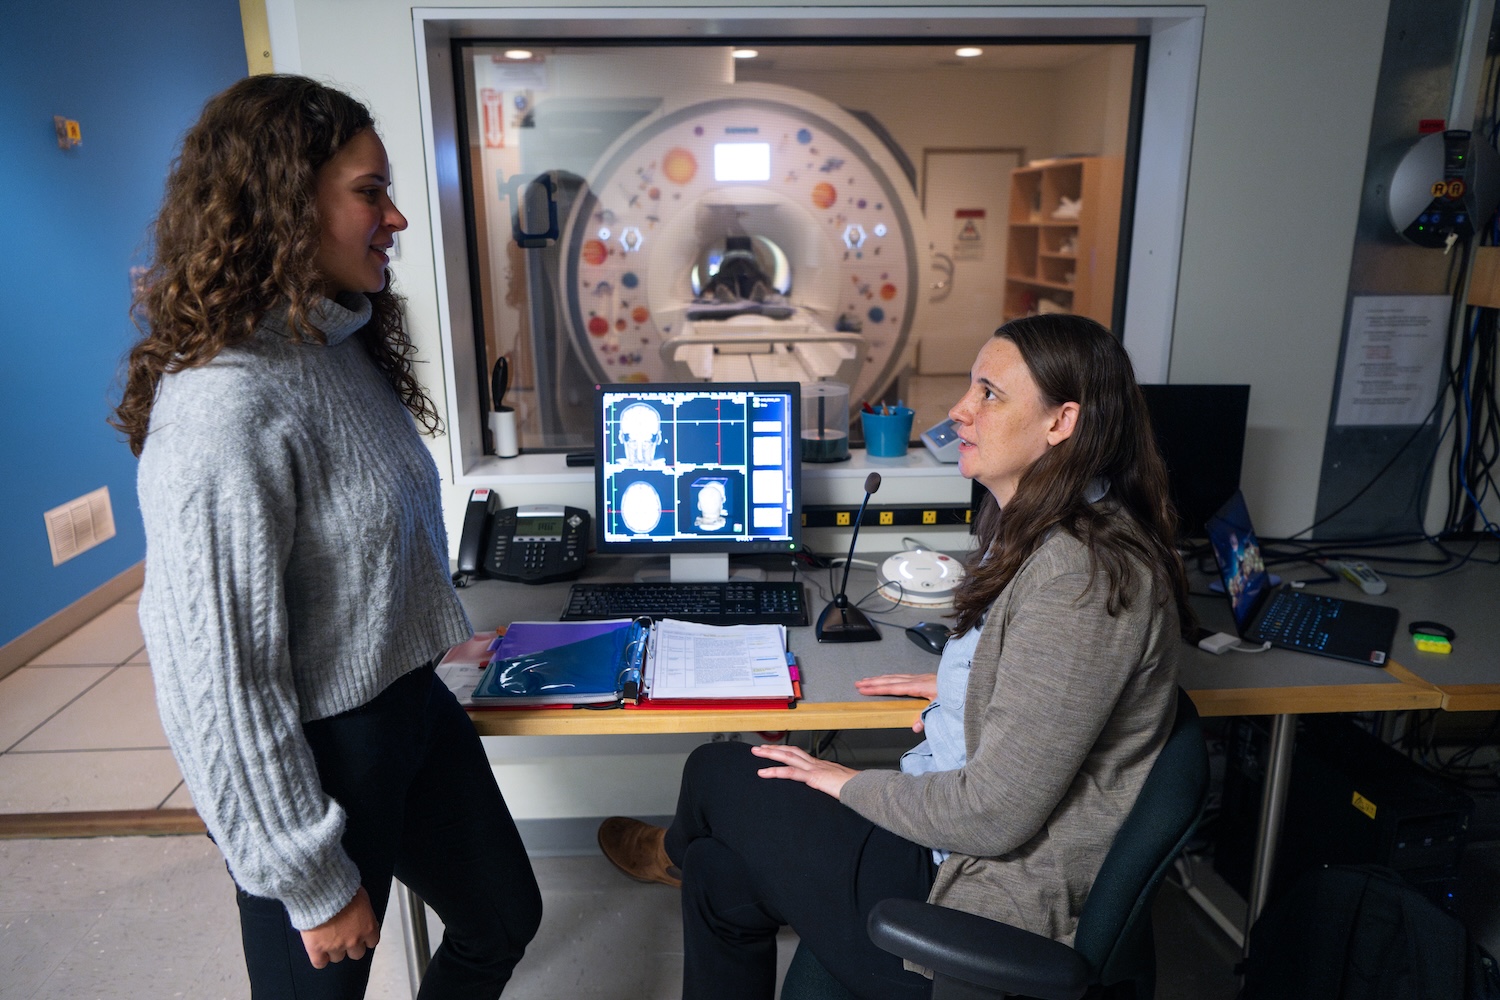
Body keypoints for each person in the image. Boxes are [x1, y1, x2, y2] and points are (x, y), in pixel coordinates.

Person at [597, 313, 1195, 1000]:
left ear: (1062, 422)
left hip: (971, 895)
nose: (959, 411)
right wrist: (973, 686)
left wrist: (841, 781)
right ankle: (685, 855)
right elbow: (1052, 696)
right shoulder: (1044, 529)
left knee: (716, 771)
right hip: (954, 846)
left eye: (989, 394)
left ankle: (668, 850)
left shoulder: (1079, 579)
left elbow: (995, 815)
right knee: (718, 874)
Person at [111, 75, 541, 999]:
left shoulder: (333, 342)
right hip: (311, 760)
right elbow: (215, 683)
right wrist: (307, 874)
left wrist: (425, 620)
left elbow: (355, 530)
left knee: (503, 917)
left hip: (408, 707)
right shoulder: (223, 405)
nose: (396, 218)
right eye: (369, 192)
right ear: (281, 202)